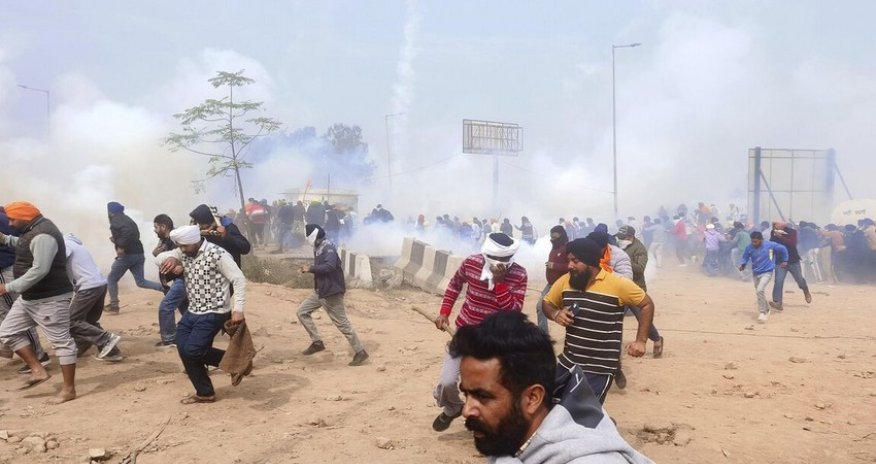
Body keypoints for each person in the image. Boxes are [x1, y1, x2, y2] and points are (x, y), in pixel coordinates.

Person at [454, 311, 653, 464]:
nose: (466, 411)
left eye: (483, 397)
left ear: (532, 398)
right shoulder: (510, 436)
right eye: (466, 394)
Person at [432, 232, 528, 432]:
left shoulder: (519, 274)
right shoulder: (471, 263)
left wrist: (500, 283)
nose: (501, 263)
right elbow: (455, 284)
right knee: (447, 382)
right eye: (497, 259)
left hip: (495, 343)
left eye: (506, 260)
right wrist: (444, 312)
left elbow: (513, 312)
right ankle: (452, 408)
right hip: (464, 335)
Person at [543, 238, 655, 403]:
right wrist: (555, 314)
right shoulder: (566, 281)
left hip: (599, 367)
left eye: (575, 261)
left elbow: (646, 304)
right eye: (569, 261)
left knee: (580, 413)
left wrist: (641, 340)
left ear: (590, 263)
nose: (570, 265)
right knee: (548, 403)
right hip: (568, 361)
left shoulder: (617, 283)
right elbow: (547, 303)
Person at [156, 225, 248, 404]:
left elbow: (238, 279)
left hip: (215, 311)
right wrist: (171, 259)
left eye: (185, 247)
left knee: (192, 351)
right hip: (193, 310)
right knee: (183, 348)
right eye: (180, 247)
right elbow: (159, 258)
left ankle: (236, 362)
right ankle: (205, 392)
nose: (182, 250)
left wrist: (238, 309)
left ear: (195, 241)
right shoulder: (184, 252)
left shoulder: (218, 254)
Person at [0, 202, 78, 404]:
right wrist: (4, 239)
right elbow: (26, 245)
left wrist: (9, 287)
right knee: (7, 331)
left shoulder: (44, 234)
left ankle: (69, 390)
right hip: (30, 297)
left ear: (24, 217)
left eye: (12, 219)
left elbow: (39, 270)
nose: (9, 222)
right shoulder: (32, 229)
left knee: (62, 342)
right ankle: (38, 370)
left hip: (50, 298)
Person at [296, 224, 368, 366]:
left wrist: (310, 268)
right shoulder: (318, 246)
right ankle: (317, 342)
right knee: (302, 312)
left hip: (331, 292)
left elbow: (329, 266)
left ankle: (360, 352)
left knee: (342, 324)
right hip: (321, 291)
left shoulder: (328, 247)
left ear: (314, 236)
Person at [0, 206, 48, 370]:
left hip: (4, 270)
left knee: (14, 313)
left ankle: (38, 356)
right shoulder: (6, 217)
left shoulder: (4, 218)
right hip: (11, 268)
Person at [63, 233, 123, 362]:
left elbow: (57, 264)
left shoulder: (64, 244)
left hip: (88, 287)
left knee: (71, 321)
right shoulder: (73, 243)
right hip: (99, 284)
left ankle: (106, 339)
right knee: (89, 322)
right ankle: (112, 352)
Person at [105, 201, 164, 313]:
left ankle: (114, 306)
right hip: (138, 253)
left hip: (127, 255)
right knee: (141, 282)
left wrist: (121, 245)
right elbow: (134, 234)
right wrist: (116, 240)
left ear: (111, 212)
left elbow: (127, 232)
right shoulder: (127, 219)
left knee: (111, 279)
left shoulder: (116, 220)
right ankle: (165, 289)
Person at [615, 226, 664, 358]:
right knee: (615, 318)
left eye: (622, 238)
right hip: (620, 288)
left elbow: (640, 269)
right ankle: (612, 347)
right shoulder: (618, 247)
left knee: (642, 318)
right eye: (618, 237)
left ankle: (657, 339)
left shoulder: (640, 249)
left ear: (630, 237)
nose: (619, 240)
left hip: (635, 289)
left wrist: (623, 260)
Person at [738, 231, 788, 323]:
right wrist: (743, 264)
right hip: (756, 273)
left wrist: (785, 260)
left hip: (767, 272)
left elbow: (783, 249)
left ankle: (762, 312)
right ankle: (767, 308)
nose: (754, 243)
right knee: (759, 292)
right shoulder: (749, 247)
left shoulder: (770, 245)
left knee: (760, 290)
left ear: (761, 240)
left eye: (756, 242)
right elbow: (745, 257)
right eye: (752, 241)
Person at [153, 214, 187, 347]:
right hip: (179, 280)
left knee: (166, 307)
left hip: (183, 279)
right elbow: (157, 254)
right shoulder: (166, 240)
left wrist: (182, 266)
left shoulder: (176, 239)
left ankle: (169, 339)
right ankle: (188, 332)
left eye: (156, 227)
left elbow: (189, 255)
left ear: (163, 226)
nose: (154, 230)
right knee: (187, 310)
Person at [769, 222, 812, 310]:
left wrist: (780, 237)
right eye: (774, 226)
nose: (775, 227)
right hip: (780, 262)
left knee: (799, 280)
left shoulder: (792, 232)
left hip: (793, 261)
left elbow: (792, 243)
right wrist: (769, 260)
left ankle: (805, 290)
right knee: (778, 281)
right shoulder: (773, 234)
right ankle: (778, 302)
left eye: (776, 225)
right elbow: (771, 248)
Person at [534, 226, 569, 334]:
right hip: (550, 284)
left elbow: (571, 266)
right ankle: (543, 334)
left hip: (561, 285)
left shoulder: (567, 248)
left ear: (561, 236)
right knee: (540, 307)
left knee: (570, 311)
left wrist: (554, 266)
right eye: (551, 237)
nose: (552, 239)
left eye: (555, 237)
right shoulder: (554, 248)